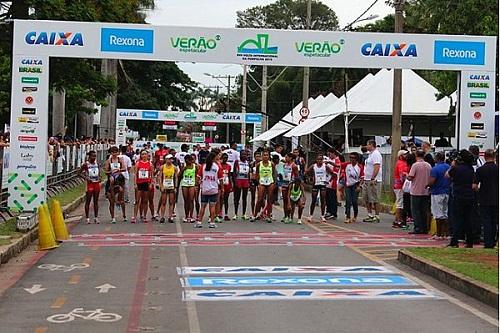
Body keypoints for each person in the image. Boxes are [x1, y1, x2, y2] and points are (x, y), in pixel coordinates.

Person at [447, 149, 475, 248]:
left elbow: (447, 175)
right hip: (469, 196)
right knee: (468, 219)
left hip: (458, 195)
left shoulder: (456, 168)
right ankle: (470, 241)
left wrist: (452, 165)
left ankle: (454, 241)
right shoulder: (470, 168)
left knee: (457, 219)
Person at [473, 149, 498, 249]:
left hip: (484, 198)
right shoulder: (498, 169)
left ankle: (488, 242)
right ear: (494, 157)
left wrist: (479, 190)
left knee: (486, 221)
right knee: (494, 221)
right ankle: (493, 240)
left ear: (485, 157)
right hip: (497, 198)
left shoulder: (480, 170)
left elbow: (474, 186)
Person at [407, 150, 432, 234]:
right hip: (425, 190)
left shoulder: (415, 165)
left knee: (415, 210)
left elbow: (411, 177)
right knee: (423, 210)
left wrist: (406, 176)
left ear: (416, 155)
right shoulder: (428, 165)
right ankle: (425, 227)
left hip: (416, 190)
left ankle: (417, 227)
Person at [196, 152, 223, 228]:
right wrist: (222, 187)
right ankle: (212, 222)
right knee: (212, 206)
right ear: (214, 158)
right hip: (214, 189)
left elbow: (198, 177)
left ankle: (199, 222)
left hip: (205, 189)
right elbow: (221, 179)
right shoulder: (217, 167)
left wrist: (197, 184)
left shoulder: (203, 166)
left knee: (203, 206)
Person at [428, 152, 451, 238]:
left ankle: (438, 233)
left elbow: (432, 181)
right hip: (446, 191)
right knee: (445, 213)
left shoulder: (435, 169)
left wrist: (427, 185)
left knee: (437, 213)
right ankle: (446, 233)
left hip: (437, 192)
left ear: (437, 158)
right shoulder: (448, 167)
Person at [306, 153, 333, 223]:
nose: (319, 161)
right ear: (316, 160)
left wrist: (328, 181)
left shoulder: (325, 166)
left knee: (323, 200)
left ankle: (322, 216)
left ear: (322, 160)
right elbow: (307, 172)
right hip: (316, 184)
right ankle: (311, 215)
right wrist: (310, 179)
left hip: (323, 184)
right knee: (314, 200)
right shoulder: (313, 166)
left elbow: (332, 173)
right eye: (318, 159)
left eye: (321, 159)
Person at [362, 140, 383, 223]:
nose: (367, 146)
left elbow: (376, 167)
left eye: (367, 145)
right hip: (366, 179)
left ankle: (377, 215)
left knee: (375, 198)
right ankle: (370, 214)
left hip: (374, 180)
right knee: (367, 198)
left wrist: (372, 178)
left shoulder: (376, 154)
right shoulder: (370, 155)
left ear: (371, 145)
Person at [104, 146, 126, 223]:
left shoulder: (120, 159)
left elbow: (124, 168)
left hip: (119, 180)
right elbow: (106, 171)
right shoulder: (108, 161)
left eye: (116, 152)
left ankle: (124, 215)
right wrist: (111, 173)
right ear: (111, 153)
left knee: (121, 199)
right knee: (111, 201)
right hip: (111, 180)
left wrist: (118, 170)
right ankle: (113, 217)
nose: (114, 154)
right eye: (113, 152)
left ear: (118, 153)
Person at [79, 151, 101, 224]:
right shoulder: (86, 164)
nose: (94, 158)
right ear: (89, 156)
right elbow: (78, 173)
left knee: (96, 201)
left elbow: (99, 172)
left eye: (95, 156)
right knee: (88, 201)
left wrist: (100, 177)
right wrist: (86, 178)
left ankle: (96, 217)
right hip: (89, 184)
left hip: (96, 183)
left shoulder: (97, 163)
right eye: (93, 156)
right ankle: (87, 218)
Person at [253, 150, 276, 222]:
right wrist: (257, 182)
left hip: (270, 181)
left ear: (269, 156)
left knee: (269, 199)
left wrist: (274, 183)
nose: (265, 156)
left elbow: (274, 173)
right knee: (260, 199)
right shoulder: (259, 164)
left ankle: (269, 216)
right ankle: (255, 215)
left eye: (267, 155)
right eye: (264, 155)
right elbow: (257, 174)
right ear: (262, 156)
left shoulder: (271, 164)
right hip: (262, 182)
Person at [133, 150, 154, 223]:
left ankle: (145, 216)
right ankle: (135, 216)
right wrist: (135, 183)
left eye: (145, 154)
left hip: (146, 183)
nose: (144, 155)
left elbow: (152, 175)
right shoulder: (138, 163)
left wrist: (151, 183)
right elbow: (135, 174)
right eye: (142, 154)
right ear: (140, 155)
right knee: (137, 200)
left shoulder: (150, 164)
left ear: (147, 155)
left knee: (145, 200)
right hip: (139, 183)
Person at [158, 154, 178, 223]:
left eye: (171, 159)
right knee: (163, 202)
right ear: (166, 159)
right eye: (169, 159)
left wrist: (175, 187)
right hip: (165, 186)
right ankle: (162, 216)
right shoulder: (162, 167)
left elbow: (176, 178)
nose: (170, 160)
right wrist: (161, 186)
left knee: (171, 202)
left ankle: (170, 216)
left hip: (171, 186)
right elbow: (160, 177)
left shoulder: (174, 168)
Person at [344, 152, 363, 223]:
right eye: (350, 158)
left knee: (354, 201)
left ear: (356, 159)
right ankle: (347, 217)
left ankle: (355, 215)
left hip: (356, 185)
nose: (352, 159)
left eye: (353, 158)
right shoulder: (347, 165)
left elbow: (362, 178)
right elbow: (338, 165)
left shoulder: (360, 167)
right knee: (348, 200)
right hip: (348, 185)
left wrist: (359, 186)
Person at [393, 150, 409, 228]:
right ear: (401, 156)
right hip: (400, 186)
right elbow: (402, 175)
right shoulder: (401, 163)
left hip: (399, 186)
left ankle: (397, 220)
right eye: (405, 154)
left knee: (400, 203)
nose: (406, 155)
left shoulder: (402, 163)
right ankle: (399, 221)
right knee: (400, 204)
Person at [280, 153, 299, 223]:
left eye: (286, 157)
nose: (285, 158)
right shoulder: (284, 165)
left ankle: (290, 216)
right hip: (284, 183)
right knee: (285, 200)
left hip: (291, 184)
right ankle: (285, 216)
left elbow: (297, 176)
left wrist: (295, 184)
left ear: (290, 158)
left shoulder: (294, 166)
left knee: (291, 201)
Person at [179, 154, 197, 223]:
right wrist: (183, 170)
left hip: (192, 184)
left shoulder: (195, 166)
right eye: (186, 161)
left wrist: (196, 183)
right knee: (186, 200)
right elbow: (179, 175)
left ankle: (191, 216)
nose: (188, 162)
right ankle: (186, 216)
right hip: (185, 184)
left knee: (191, 200)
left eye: (189, 160)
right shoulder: (184, 167)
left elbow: (197, 175)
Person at [233, 150, 251, 220]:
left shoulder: (248, 163)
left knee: (244, 198)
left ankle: (244, 214)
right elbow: (234, 172)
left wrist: (249, 181)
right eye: (243, 154)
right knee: (237, 198)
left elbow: (249, 173)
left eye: (245, 155)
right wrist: (235, 182)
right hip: (238, 180)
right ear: (240, 155)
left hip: (245, 181)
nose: (244, 156)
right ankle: (235, 214)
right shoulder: (237, 162)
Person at [325, 149, 340, 220]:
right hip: (327, 182)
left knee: (332, 198)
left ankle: (333, 213)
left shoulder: (337, 161)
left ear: (334, 153)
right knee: (327, 198)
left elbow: (335, 173)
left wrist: (328, 167)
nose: (329, 155)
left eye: (330, 154)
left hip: (333, 182)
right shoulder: (328, 160)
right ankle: (328, 211)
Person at [220, 153, 233, 221]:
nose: (225, 159)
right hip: (220, 184)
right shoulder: (219, 165)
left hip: (227, 184)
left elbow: (229, 175)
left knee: (226, 199)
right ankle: (219, 213)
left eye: (226, 158)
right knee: (220, 199)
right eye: (224, 158)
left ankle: (226, 214)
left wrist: (231, 185)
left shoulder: (228, 166)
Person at [249, 151, 262, 218]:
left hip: (260, 181)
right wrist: (250, 180)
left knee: (260, 197)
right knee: (253, 197)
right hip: (253, 181)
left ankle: (259, 212)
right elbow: (250, 173)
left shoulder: (262, 164)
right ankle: (253, 212)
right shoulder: (252, 164)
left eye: (259, 156)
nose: (258, 158)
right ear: (254, 157)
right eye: (257, 156)